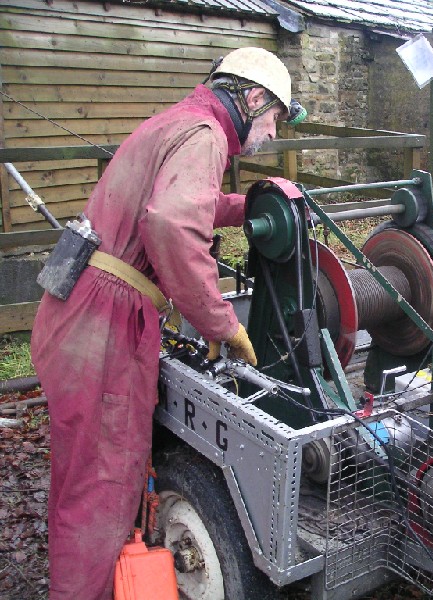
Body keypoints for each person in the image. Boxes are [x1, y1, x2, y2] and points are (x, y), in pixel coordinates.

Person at [30, 47, 294, 599]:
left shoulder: (178, 121)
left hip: (77, 313)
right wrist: (221, 323)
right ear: (252, 98)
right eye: (273, 120)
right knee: (102, 488)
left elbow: (183, 201)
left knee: (81, 475)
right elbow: (172, 221)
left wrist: (249, 205)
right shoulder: (206, 135)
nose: (270, 136)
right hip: (104, 327)